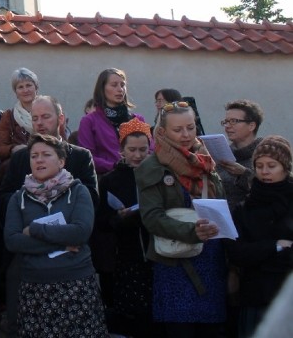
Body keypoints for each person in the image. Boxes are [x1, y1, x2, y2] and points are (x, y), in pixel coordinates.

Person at [135, 101, 226, 337]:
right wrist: (192, 232)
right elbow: (152, 218)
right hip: (175, 262)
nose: (186, 135)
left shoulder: (206, 160)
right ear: (162, 132)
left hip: (211, 258)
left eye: (191, 127)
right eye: (178, 130)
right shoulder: (152, 166)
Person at [4, 133, 108, 338]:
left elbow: (80, 232)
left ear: (61, 161)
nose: (39, 160)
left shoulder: (79, 191)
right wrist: (60, 244)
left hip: (76, 286)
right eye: (34, 156)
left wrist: (35, 229)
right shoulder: (18, 198)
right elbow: (13, 240)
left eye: (45, 155)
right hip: (35, 289)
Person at [96, 118, 158, 338]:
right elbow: (101, 221)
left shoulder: (158, 174)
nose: (138, 155)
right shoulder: (111, 180)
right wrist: (119, 218)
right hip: (126, 256)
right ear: (121, 149)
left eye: (143, 149)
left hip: (156, 254)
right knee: (131, 315)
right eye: (132, 150)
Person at [226, 135, 293, 336]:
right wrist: (275, 246)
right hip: (256, 295)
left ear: (285, 167)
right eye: (260, 165)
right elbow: (237, 251)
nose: (264, 171)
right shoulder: (245, 207)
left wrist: (261, 254)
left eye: (271, 165)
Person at [78, 68, 148, 175]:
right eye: (114, 85)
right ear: (102, 88)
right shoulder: (89, 121)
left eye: (122, 85)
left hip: (139, 177)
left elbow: (150, 150)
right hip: (106, 178)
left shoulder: (137, 120)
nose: (120, 89)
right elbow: (86, 156)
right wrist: (114, 165)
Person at [218, 99, 264, 208]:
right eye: (226, 122)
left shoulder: (266, 156)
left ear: (251, 126)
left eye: (234, 121)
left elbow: (274, 190)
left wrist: (243, 174)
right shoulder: (223, 156)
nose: (227, 126)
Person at [0, 68, 39, 165]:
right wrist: (13, 148)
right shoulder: (8, 116)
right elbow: (0, 149)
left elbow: (61, 141)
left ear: (36, 88)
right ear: (16, 92)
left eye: (29, 85)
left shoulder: (48, 112)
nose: (25, 90)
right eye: (20, 87)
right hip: (20, 166)